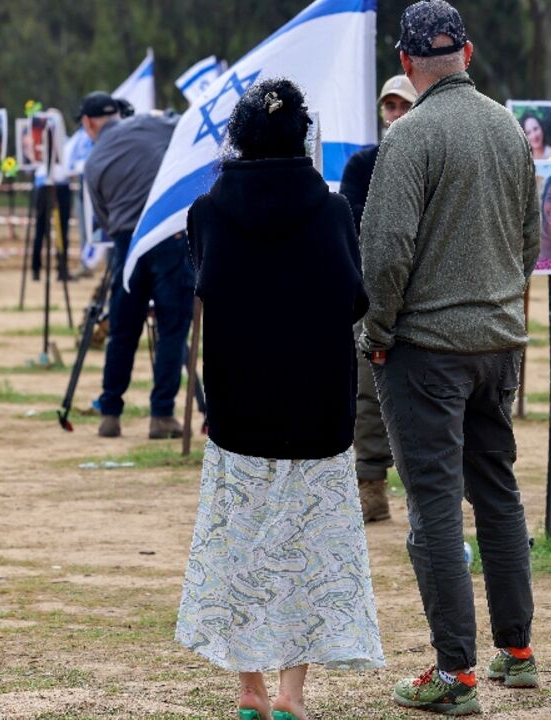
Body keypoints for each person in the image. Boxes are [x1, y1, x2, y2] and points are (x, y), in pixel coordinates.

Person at [175, 78, 383, 720]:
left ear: (239, 136)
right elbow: (356, 300)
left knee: (242, 551)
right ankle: (292, 694)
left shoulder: (208, 211)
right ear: (304, 136)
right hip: (319, 411)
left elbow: (207, 289)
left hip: (239, 410)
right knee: (309, 557)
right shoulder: (331, 211)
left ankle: (249, 688)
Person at [360, 1, 540, 713]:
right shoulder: (507, 130)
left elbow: (385, 256)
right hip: (499, 347)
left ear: (406, 64)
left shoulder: (409, 138)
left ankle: (455, 673)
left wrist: (375, 334)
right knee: (497, 494)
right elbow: (531, 240)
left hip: (427, 353)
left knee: (433, 506)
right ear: (467, 53)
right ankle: (517, 653)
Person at [81, 92, 193, 440]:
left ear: (87, 125)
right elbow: (186, 125)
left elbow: (103, 218)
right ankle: (162, 415)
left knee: (122, 331)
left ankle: (110, 413)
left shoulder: (92, 162)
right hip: (166, 238)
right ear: (118, 113)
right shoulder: (147, 123)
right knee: (173, 330)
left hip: (127, 245)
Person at [338, 73, 418, 523]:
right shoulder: (361, 165)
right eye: (389, 106)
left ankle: (431, 493)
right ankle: (371, 486)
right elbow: (352, 224)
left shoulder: (435, 158)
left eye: (402, 104)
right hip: (374, 293)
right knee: (369, 396)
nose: (395, 113)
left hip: (426, 297)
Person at [31, 113, 73, 282]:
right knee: (41, 228)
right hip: (45, 184)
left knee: (61, 228)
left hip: (59, 184)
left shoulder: (66, 143)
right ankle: (37, 268)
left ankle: (60, 268)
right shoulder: (37, 141)